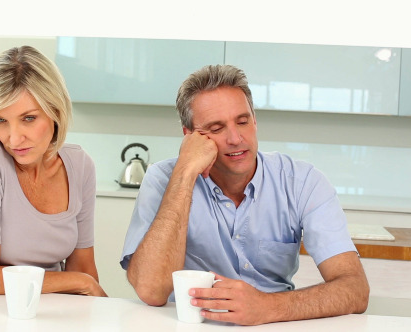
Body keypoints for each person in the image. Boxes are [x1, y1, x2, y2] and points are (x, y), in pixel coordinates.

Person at [120, 64, 369, 325]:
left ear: (254, 120)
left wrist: (268, 307)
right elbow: (150, 291)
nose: (236, 138)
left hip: (274, 324)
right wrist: (185, 172)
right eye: (216, 129)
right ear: (190, 136)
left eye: (242, 121)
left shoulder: (303, 182)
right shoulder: (163, 179)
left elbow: (355, 290)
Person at [0, 45, 107, 297]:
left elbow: (84, 266)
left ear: (56, 111)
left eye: (29, 118)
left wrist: (84, 290)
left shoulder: (80, 165)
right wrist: (79, 282)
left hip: (57, 313)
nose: (14, 139)